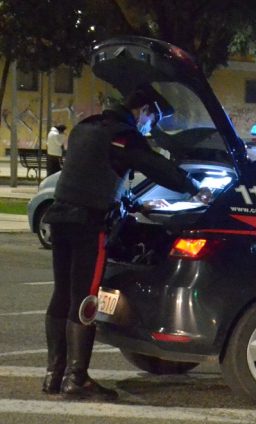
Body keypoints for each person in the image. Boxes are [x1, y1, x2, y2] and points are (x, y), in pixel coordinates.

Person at [41, 87, 212, 400]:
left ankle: (54, 374)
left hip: (61, 218)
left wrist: (133, 203)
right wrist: (193, 187)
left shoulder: (86, 127)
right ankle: (77, 379)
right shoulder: (124, 135)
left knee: (62, 294)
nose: (151, 127)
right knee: (85, 299)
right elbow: (154, 165)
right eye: (153, 119)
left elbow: (91, 174)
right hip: (88, 226)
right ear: (143, 110)